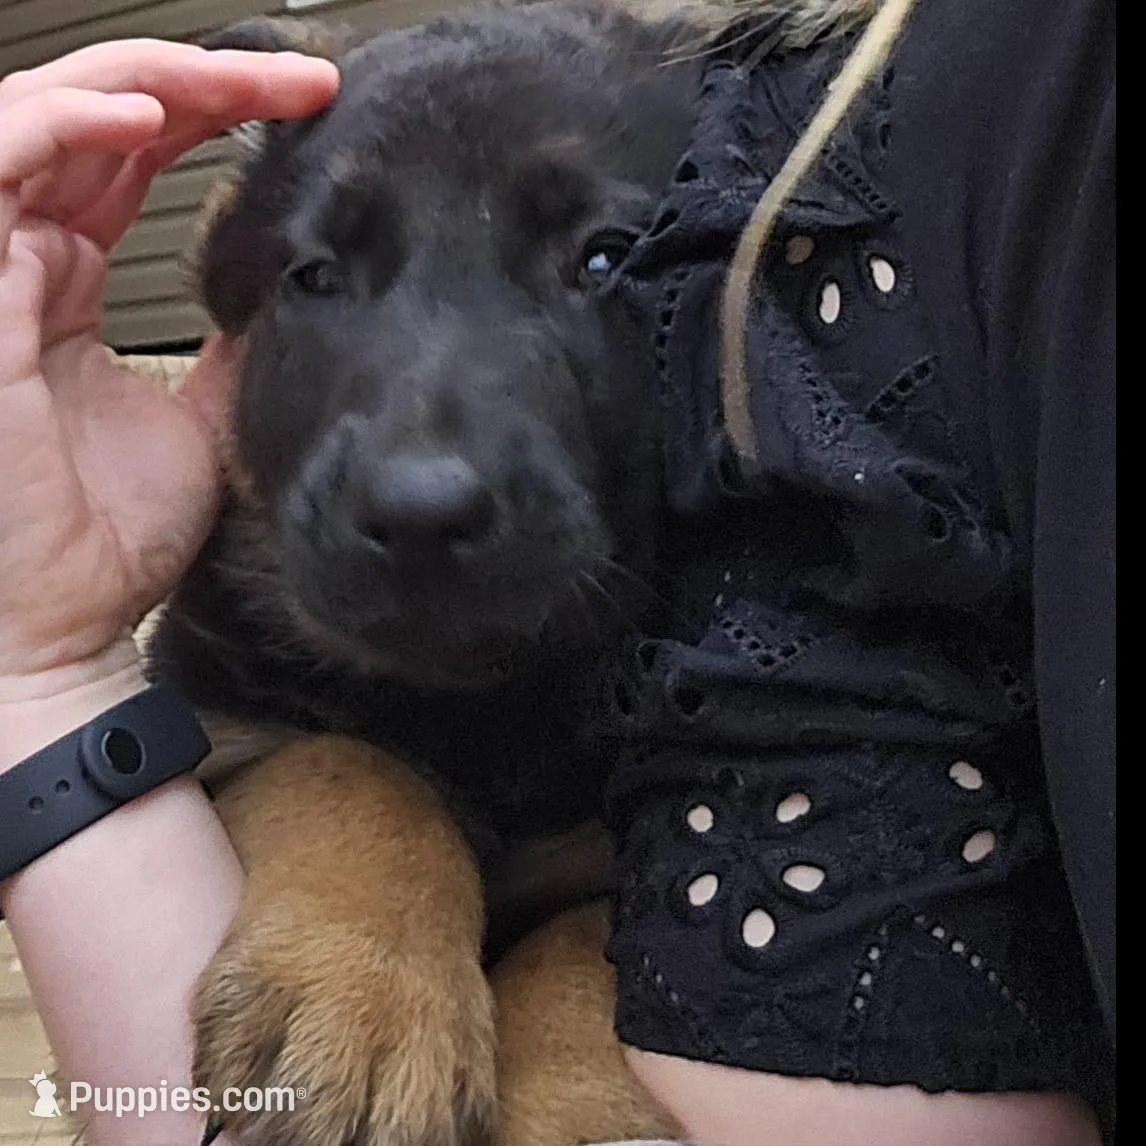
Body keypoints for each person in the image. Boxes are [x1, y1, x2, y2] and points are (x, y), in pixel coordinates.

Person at [0, 0, 1113, 1143]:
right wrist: (46, 661)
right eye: (322, 278)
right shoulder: (247, 612)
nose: (421, 470)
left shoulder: (770, 628)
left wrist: (585, 981)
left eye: (599, 258)